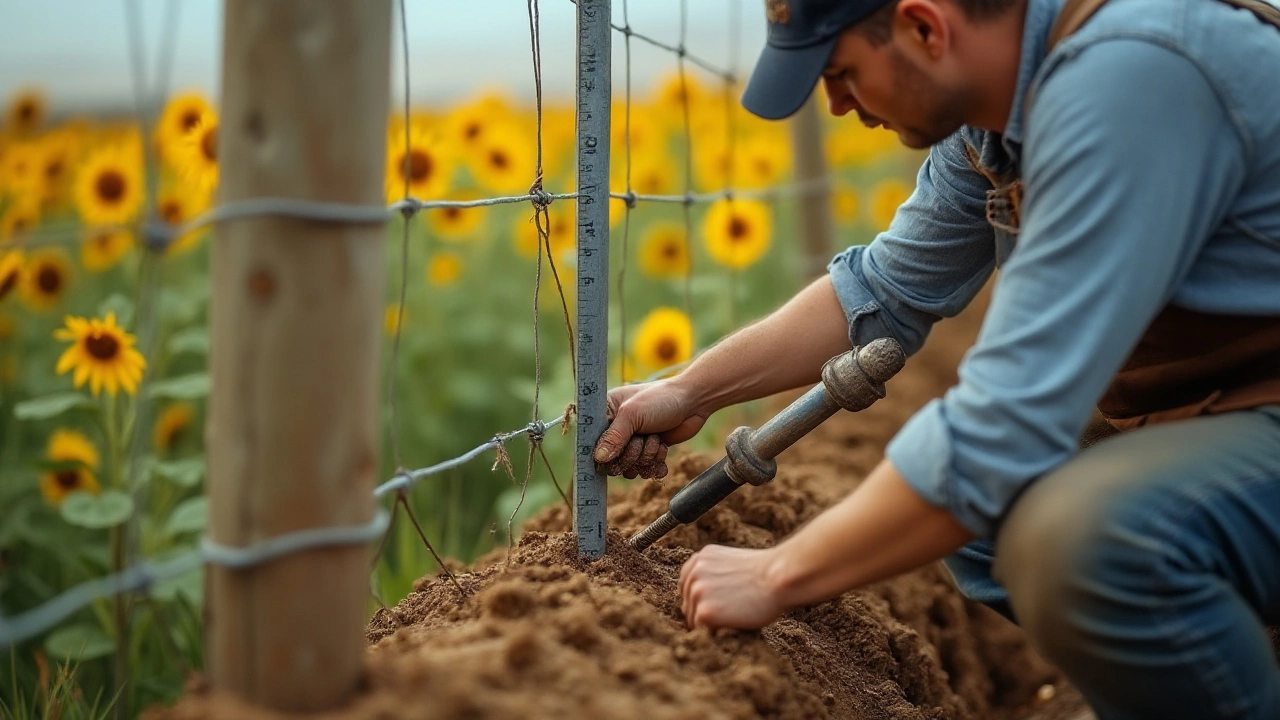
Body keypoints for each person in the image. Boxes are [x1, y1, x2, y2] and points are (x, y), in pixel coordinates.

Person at [591, 0, 1280, 717]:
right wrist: (691, 391)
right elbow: (885, 289)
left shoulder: (1135, 74)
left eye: (842, 73)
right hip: (1231, 413)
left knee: (1083, 540)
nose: (837, 105)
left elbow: (1006, 425)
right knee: (983, 515)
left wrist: (778, 574)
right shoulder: (994, 124)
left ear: (924, 27)